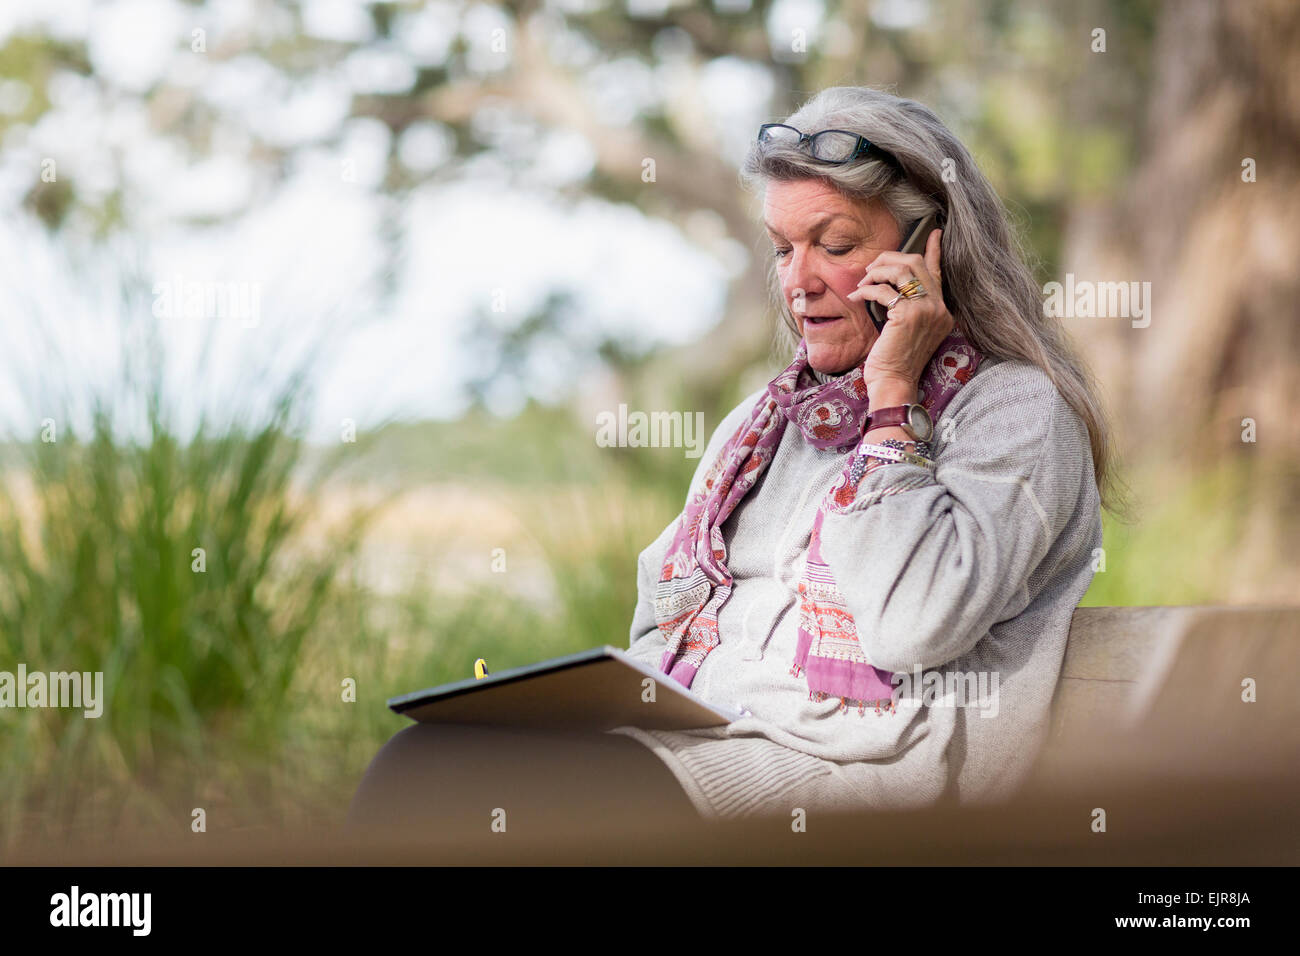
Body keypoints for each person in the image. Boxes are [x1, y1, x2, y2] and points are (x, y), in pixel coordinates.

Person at [348, 85, 1117, 835]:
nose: (797, 281)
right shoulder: (768, 420)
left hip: (858, 780)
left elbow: (909, 624)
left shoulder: (1018, 413)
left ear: (930, 251)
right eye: (784, 249)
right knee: (420, 760)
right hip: (690, 747)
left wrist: (892, 403)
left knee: (509, 800)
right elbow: (660, 622)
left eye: (836, 245)